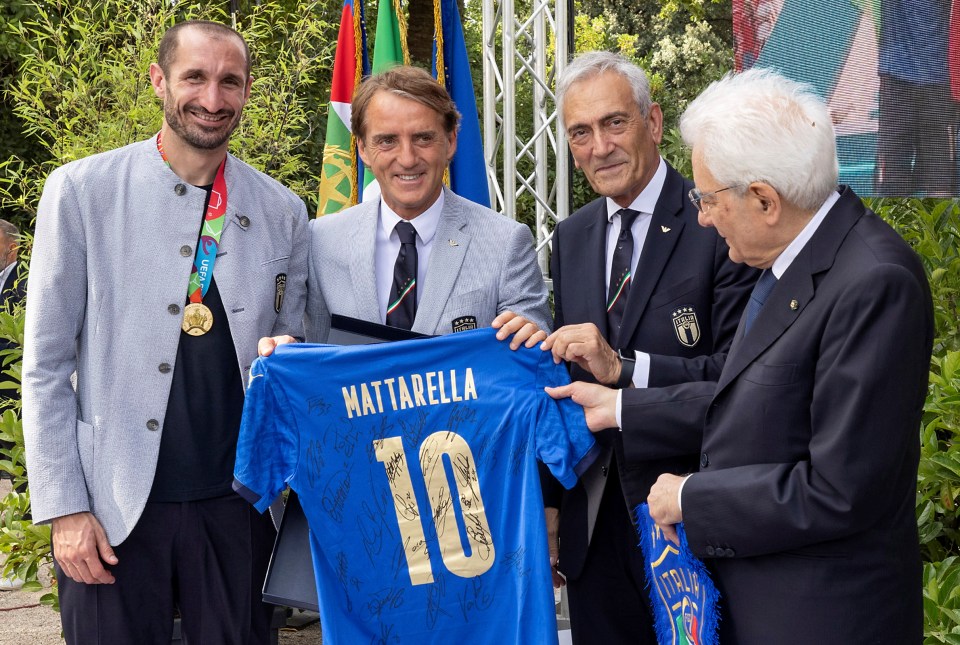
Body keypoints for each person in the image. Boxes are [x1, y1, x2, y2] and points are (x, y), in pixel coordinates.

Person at [550, 68, 932, 644]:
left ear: (763, 199)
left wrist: (691, 497)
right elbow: (744, 397)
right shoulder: (790, 263)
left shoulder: (873, 281)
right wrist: (620, 407)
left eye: (707, 199)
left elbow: (838, 491)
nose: (701, 216)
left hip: (821, 617)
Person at [22, 20, 308, 643]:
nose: (212, 98)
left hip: (242, 511)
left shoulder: (283, 210)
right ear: (158, 81)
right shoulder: (80, 192)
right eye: (195, 78)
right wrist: (64, 506)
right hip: (113, 508)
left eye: (230, 81)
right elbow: (43, 366)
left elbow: (294, 348)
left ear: (247, 91)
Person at [538, 51, 756, 645]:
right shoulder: (571, 236)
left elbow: (743, 377)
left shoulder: (717, 221)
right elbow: (563, 380)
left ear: (653, 122)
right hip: (593, 526)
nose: (599, 146)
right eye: (580, 132)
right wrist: (554, 504)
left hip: (688, 516)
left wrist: (626, 369)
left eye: (615, 123)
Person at [302, 65, 550, 343]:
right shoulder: (322, 241)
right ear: (362, 149)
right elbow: (311, 355)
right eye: (387, 141)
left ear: (451, 140)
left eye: (423, 138)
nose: (407, 158)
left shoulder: (505, 244)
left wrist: (532, 339)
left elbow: (531, 356)